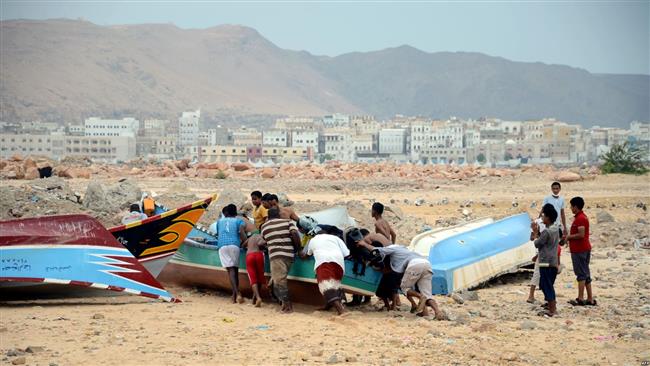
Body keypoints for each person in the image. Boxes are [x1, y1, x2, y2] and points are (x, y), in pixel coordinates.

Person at [358, 242, 445, 319]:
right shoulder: (404, 250)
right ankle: (437, 312)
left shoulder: (393, 248)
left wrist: (364, 244)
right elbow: (390, 269)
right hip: (427, 264)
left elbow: (378, 250)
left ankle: (420, 296)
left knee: (404, 288)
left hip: (414, 264)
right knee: (427, 294)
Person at [260, 207, 301, 313]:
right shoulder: (288, 222)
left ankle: (287, 306)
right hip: (289, 255)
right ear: (278, 214)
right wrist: (298, 249)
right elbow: (295, 234)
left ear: (268, 216)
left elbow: (262, 242)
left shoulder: (264, 226)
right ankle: (281, 302)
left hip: (276, 256)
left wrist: (270, 246)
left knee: (279, 281)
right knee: (275, 281)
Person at [300, 231, 350, 315]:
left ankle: (341, 310)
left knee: (325, 287)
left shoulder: (313, 240)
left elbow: (307, 254)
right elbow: (346, 253)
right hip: (339, 263)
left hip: (324, 261)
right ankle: (329, 305)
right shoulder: (336, 238)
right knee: (335, 285)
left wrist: (301, 254)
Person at [566, 197, 596, 306]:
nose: (570, 208)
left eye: (571, 206)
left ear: (575, 206)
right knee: (585, 273)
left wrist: (568, 237)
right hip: (582, 249)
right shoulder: (580, 217)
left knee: (581, 274)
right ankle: (590, 298)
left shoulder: (580, 219)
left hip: (580, 250)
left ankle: (580, 297)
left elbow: (581, 234)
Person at [215, 204, 247, 304]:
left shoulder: (219, 222)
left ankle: (235, 294)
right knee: (235, 270)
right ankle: (236, 294)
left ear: (226, 212)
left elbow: (218, 233)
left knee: (230, 271)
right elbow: (242, 232)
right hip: (234, 245)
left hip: (222, 246)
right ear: (236, 212)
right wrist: (246, 242)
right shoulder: (239, 221)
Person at [533, 203, 561, 317]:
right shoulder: (556, 229)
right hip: (553, 261)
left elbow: (537, 243)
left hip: (545, 262)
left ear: (548, 217)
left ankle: (552, 309)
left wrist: (535, 233)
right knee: (547, 284)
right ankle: (551, 307)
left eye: (544, 216)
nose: (542, 218)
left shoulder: (547, 231)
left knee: (546, 285)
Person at [541, 182, 567, 246]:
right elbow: (543, 210)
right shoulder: (546, 198)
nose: (555, 190)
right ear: (551, 189)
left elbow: (562, 213)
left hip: (557, 224)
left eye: (557, 188)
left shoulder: (562, 199)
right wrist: (539, 220)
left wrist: (565, 227)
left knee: (556, 243)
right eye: (554, 188)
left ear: (560, 189)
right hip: (548, 224)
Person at [244, 234, 267, 307]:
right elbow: (261, 243)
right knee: (260, 276)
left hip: (249, 255)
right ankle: (256, 298)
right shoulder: (260, 236)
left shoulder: (250, 237)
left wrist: (248, 247)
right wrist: (265, 247)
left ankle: (256, 298)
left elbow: (243, 245)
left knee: (252, 278)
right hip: (259, 255)